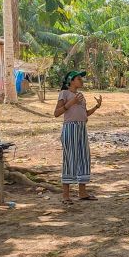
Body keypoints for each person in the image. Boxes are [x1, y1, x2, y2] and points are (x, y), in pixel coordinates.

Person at [53, 71, 102, 205]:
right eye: (79, 78)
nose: (81, 81)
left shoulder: (81, 96)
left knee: (84, 158)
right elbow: (56, 113)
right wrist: (71, 102)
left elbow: (84, 114)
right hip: (71, 128)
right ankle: (65, 196)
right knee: (70, 159)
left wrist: (97, 107)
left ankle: (82, 193)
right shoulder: (64, 93)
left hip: (81, 128)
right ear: (71, 81)